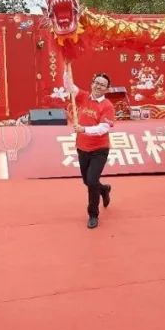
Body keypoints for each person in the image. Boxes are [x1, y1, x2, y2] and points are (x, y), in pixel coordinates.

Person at [64, 68, 116, 229]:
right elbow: (69, 86)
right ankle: (104, 189)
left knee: (92, 180)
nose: (99, 86)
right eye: (97, 83)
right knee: (88, 181)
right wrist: (66, 66)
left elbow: (103, 128)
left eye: (103, 85)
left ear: (106, 89)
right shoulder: (83, 96)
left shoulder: (107, 106)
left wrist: (84, 129)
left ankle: (93, 214)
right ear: (92, 83)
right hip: (82, 147)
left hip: (99, 149)